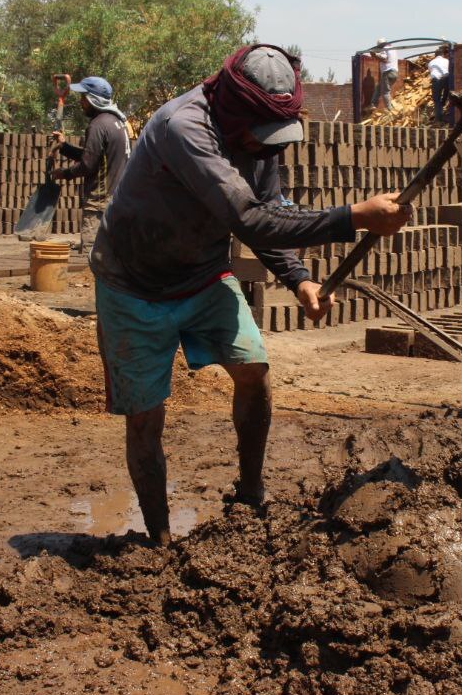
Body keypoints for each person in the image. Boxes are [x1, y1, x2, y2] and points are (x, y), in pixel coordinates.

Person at [90, 44, 412, 545]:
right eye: (260, 137)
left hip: (201, 273)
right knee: (146, 415)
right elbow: (248, 217)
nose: (267, 148)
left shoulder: (261, 140)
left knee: (254, 370)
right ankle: (158, 541)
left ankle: (250, 494)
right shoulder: (186, 128)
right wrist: (354, 217)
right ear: (236, 112)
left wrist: (299, 279)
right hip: (133, 284)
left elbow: (269, 209)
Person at [50, 76, 132, 252]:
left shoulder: (98, 125)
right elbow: (95, 156)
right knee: (110, 253)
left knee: (91, 255)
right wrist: (64, 146)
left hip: (99, 203)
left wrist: (64, 173)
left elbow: (87, 165)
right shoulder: (117, 123)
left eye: (83, 98)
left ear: (93, 99)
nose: (81, 102)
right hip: (117, 199)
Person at [372, 38, 399, 111]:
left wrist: (375, 55)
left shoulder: (384, 49)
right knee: (379, 87)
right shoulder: (393, 49)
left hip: (387, 72)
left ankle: (390, 110)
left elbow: (384, 59)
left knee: (385, 92)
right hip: (394, 73)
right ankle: (373, 104)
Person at [428, 46, 451, 123]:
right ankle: (444, 103)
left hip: (436, 81)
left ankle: (439, 118)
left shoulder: (431, 62)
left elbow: (431, 71)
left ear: (435, 55)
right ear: (442, 55)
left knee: (436, 99)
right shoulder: (447, 61)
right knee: (447, 94)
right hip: (446, 79)